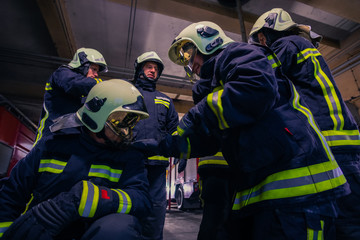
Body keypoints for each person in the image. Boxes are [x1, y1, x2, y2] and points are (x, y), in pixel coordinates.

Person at [161, 20, 351, 239]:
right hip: (265, 196)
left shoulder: (238, 53)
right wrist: (165, 146)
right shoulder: (220, 85)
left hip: (302, 194)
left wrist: (192, 118)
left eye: (187, 54)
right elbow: (212, 140)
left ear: (207, 40)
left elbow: (255, 88)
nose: (188, 64)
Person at [248, 8, 360, 239]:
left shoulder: (287, 45)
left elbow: (260, 76)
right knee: (349, 223)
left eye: (259, 39)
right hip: (346, 146)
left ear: (263, 36)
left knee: (341, 224)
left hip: (329, 146)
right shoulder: (302, 46)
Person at [0, 79, 152, 240]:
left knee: (119, 227)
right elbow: (10, 195)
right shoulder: (52, 145)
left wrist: (89, 198)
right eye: (120, 122)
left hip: (91, 234)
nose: (127, 132)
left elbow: (141, 201)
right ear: (98, 115)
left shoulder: (129, 157)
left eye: (130, 124)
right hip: (43, 232)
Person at [131, 51, 179, 240]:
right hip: (131, 164)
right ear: (139, 69)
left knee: (156, 213)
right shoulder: (128, 93)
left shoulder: (165, 100)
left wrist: (175, 150)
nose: (153, 71)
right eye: (149, 67)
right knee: (130, 209)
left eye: (156, 68)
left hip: (157, 168)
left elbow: (174, 130)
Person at [33, 47, 108, 146]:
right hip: (49, 137)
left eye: (97, 71)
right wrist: (103, 84)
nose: (96, 74)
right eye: (94, 69)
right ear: (83, 65)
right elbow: (75, 84)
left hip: (70, 140)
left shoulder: (84, 92)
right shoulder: (62, 73)